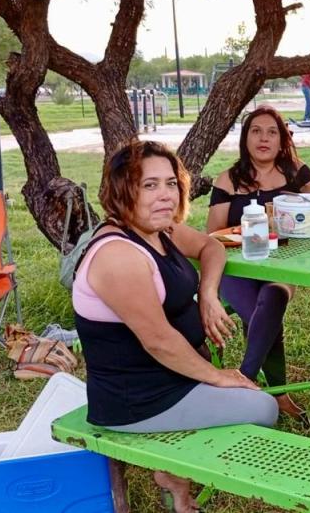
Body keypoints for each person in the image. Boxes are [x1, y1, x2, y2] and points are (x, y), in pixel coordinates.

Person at [73, 140, 277, 513]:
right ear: (122, 190)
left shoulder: (160, 230)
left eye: (170, 183)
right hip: (139, 400)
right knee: (262, 409)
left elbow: (212, 248)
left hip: (173, 379)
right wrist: (218, 377)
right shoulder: (118, 255)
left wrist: (208, 295)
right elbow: (159, 341)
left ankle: (174, 469)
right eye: (149, 185)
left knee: (252, 399)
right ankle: (173, 467)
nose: (165, 195)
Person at [207, 106, 310, 420]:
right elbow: (213, 235)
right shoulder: (228, 180)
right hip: (236, 267)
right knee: (264, 315)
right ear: (245, 139)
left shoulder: (298, 173)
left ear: (282, 140)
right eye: (256, 131)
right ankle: (277, 394)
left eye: (271, 132)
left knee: (272, 297)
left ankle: (244, 380)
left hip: (282, 263)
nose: (263, 138)